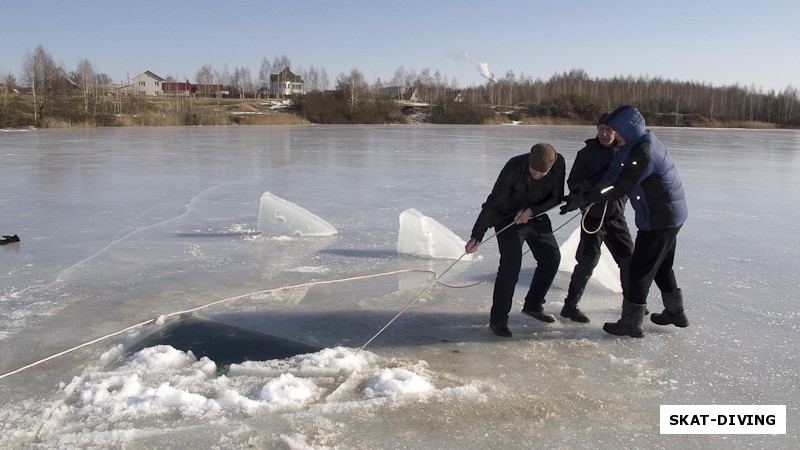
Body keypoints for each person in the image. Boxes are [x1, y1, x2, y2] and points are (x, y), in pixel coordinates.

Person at [562, 105, 688, 337]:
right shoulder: (631, 145)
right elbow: (611, 174)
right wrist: (579, 197)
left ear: (624, 129)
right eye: (604, 128)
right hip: (661, 215)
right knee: (660, 265)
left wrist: (588, 196)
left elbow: (620, 187)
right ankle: (675, 312)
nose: (610, 134)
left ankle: (631, 322)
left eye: (613, 129)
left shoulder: (643, 151)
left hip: (660, 218)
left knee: (638, 269)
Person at [465, 143, 565, 338]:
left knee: (551, 258)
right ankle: (498, 320)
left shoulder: (558, 163)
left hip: (536, 216)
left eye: (542, 173)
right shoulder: (513, 167)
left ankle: (534, 305)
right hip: (506, 218)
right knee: (511, 266)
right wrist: (477, 235)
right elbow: (493, 203)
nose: (537, 175)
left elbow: (556, 197)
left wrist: (532, 211)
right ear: (528, 161)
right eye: (533, 170)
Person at [559, 113, 634, 323]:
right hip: (592, 218)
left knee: (629, 262)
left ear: (616, 132)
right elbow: (573, 182)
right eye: (601, 128)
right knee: (586, 262)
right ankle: (570, 306)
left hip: (616, 217)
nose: (604, 133)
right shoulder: (586, 154)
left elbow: (632, 182)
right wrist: (586, 191)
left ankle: (632, 305)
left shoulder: (625, 153)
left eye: (609, 130)